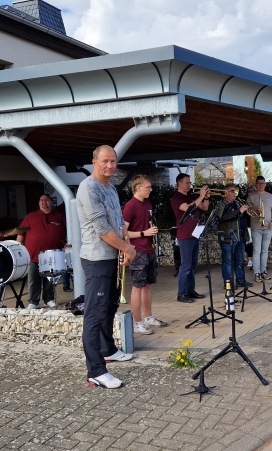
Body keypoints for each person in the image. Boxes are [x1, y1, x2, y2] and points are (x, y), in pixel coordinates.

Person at [77, 145, 136, 389]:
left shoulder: (110, 188)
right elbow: (102, 229)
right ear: (94, 162)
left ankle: (108, 349)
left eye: (113, 161)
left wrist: (126, 244)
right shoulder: (88, 188)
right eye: (105, 161)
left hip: (112, 256)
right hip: (96, 259)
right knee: (95, 314)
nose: (110, 165)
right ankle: (96, 371)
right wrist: (127, 248)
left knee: (110, 306)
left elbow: (120, 222)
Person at [122, 174, 169, 335]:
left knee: (148, 285)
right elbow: (124, 232)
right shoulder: (130, 206)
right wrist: (144, 233)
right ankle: (137, 323)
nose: (151, 190)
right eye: (148, 187)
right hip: (138, 250)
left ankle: (148, 317)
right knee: (137, 286)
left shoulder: (147, 203)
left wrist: (151, 232)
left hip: (149, 248)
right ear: (138, 188)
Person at [17, 194, 67, 309]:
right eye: (41, 200)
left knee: (49, 279)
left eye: (46, 200)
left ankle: (49, 299)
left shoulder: (59, 217)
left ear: (51, 202)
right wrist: (18, 250)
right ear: (39, 203)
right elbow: (20, 233)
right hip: (33, 255)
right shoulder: (30, 217)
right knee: (33, 280)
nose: (44, 202)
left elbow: (66, 233)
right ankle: (33, 301)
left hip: (52, 256)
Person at [170, 173, 209, 303]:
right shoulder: (176, 198)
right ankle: (181, 293)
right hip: (185, 235)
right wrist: (201, 196)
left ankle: (190, 290)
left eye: (189, 182)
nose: (189, 185)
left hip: (194, 233)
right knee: (185, 265)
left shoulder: (190, 196)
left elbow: (204, 207)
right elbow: (188, 208)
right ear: (179, 183)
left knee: (192, 265)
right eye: (187, 183)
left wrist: (206, 198)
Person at [216, 184, 253, 288]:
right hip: (228, 237)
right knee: (228, 261)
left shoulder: (237, 202)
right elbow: (222, 217)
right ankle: (228, 283)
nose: (235, 193)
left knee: (239, 260)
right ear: (226, 193)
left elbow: (243, 215)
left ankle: (241, 280)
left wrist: (249, 210)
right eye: (232, 191)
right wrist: (239, 211)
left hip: (240, 235)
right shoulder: (221, 204)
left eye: (235, 191)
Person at [246, 176, 272, 283]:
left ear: (265, 184)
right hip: (256, 227)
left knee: (265, 251)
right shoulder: (251, 196)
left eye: (263, 183)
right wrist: (255, 210)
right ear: (256, 184)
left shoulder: (270, 196)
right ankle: (257, 273)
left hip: (268, 227)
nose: (261, 185)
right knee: (256, 251)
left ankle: (264, 271)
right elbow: (247, 211)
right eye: (259, 183)